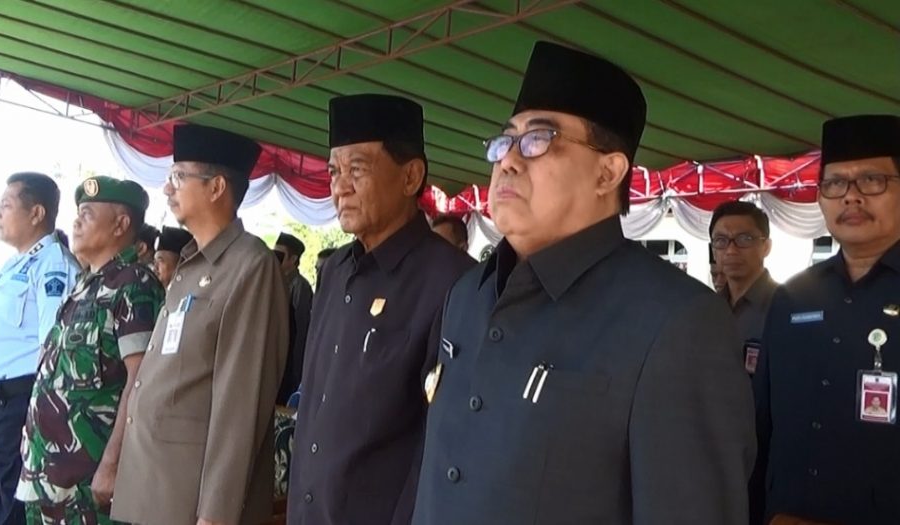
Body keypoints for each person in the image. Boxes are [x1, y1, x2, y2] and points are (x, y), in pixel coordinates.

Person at [411, 41, 755, 525]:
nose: (509, 161)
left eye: (539, 139)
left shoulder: (677, 324)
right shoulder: (468, 294)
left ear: (607, 173)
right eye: (506, 141)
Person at [288, 94, 475, 525]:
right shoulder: (335, 270)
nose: (340, 187)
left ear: (410, 176)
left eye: (357, 169)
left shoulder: (455, 282)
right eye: (334, 171)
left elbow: (442, 443)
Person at [112, 124, 289, 525]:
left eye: (179, 176)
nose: (167, 188)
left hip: (192, 501)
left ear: (216, 188)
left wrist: (216, 512)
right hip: (157, 485)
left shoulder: (250, 266)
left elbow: (241, 401)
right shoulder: (191, 264)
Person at [755, 114, 900, 525]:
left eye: (872, 180)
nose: (851, 197)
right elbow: (762, 422)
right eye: (835, 183)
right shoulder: (792, 297)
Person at [16, 176, 163, 524]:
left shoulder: (134, 285)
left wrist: (112, 464)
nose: (76, 222)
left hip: (87, 484)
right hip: (45, 475)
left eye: (88, 214)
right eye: (78, 213)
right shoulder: (85, 285)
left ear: (121, 224)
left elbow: (140, 380)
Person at [0, 172, 80, 525]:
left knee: (12, 513)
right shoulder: (16, 263)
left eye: (6, 205)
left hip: (17, 407)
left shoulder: (53, 265)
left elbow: (53, 348)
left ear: (36, 213)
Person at [709, 200, 778, 373]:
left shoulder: (784, 305)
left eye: (744, 239)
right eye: (721, 240)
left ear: (766, 247)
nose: (731, 250)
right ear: (713, 251)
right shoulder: (708, 308)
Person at [274, 232, 313, 405]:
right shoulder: (276, 280)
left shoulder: (300, 287)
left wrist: (297, 370)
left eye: (280, 255)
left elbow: (301, 330)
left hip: (290, 358)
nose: (276, 258)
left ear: (293, 259)